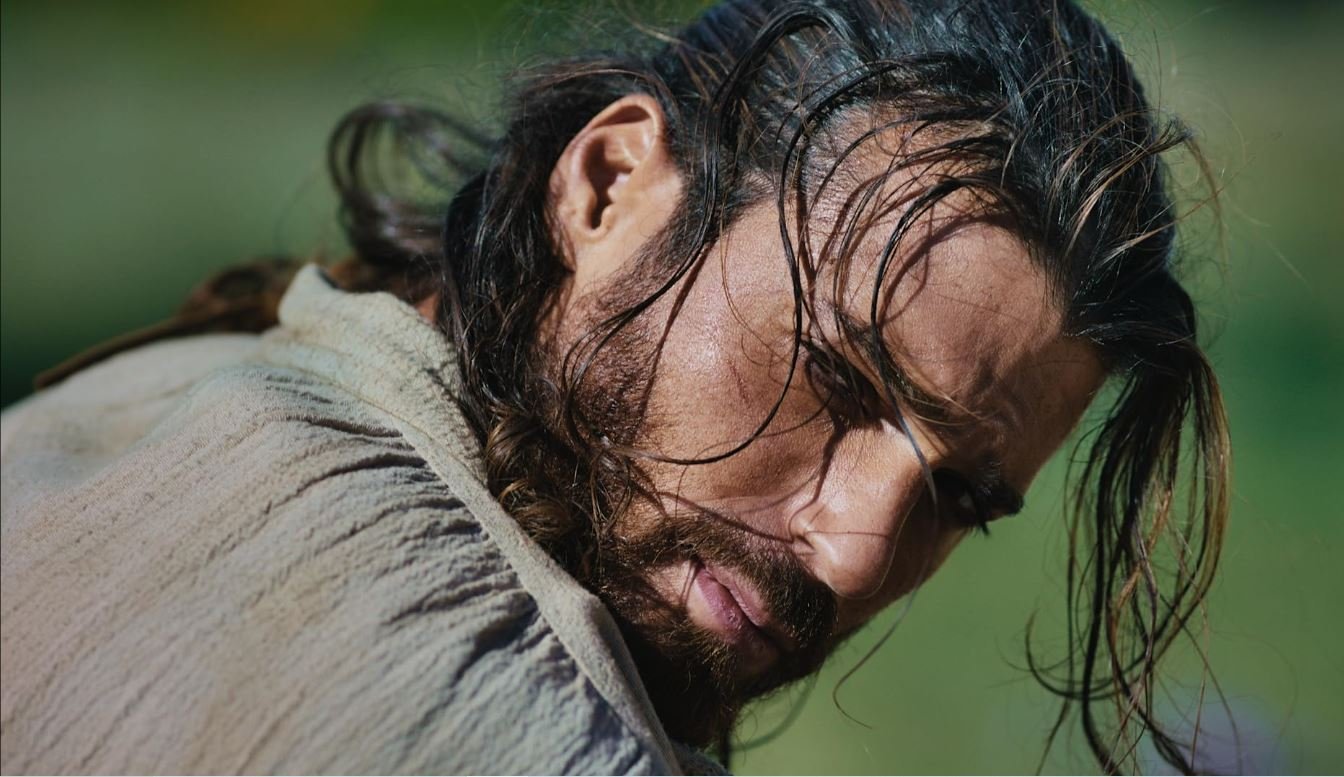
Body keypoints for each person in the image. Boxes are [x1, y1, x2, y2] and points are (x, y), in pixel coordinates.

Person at [0, 0, 1229, 773]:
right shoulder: (494, 731)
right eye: (839, 379)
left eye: (960, 498)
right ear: (608, 189)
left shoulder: (206, 385)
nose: (858, 557)